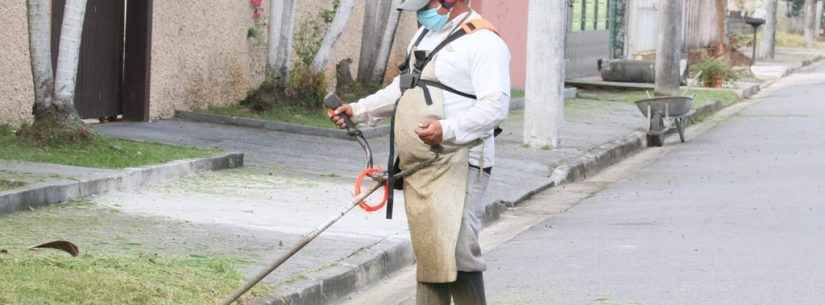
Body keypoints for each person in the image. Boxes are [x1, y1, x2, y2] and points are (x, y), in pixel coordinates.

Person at [328, 0, 510, 304]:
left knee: (459, 249)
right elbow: (404, 88)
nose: (421, 11)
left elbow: (495, 107)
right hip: (420, 162)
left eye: (427, 4)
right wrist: (359, 109)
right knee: (430, 250)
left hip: (461, 161)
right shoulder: (423, 36)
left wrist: (447, 129)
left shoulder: (484, 42)